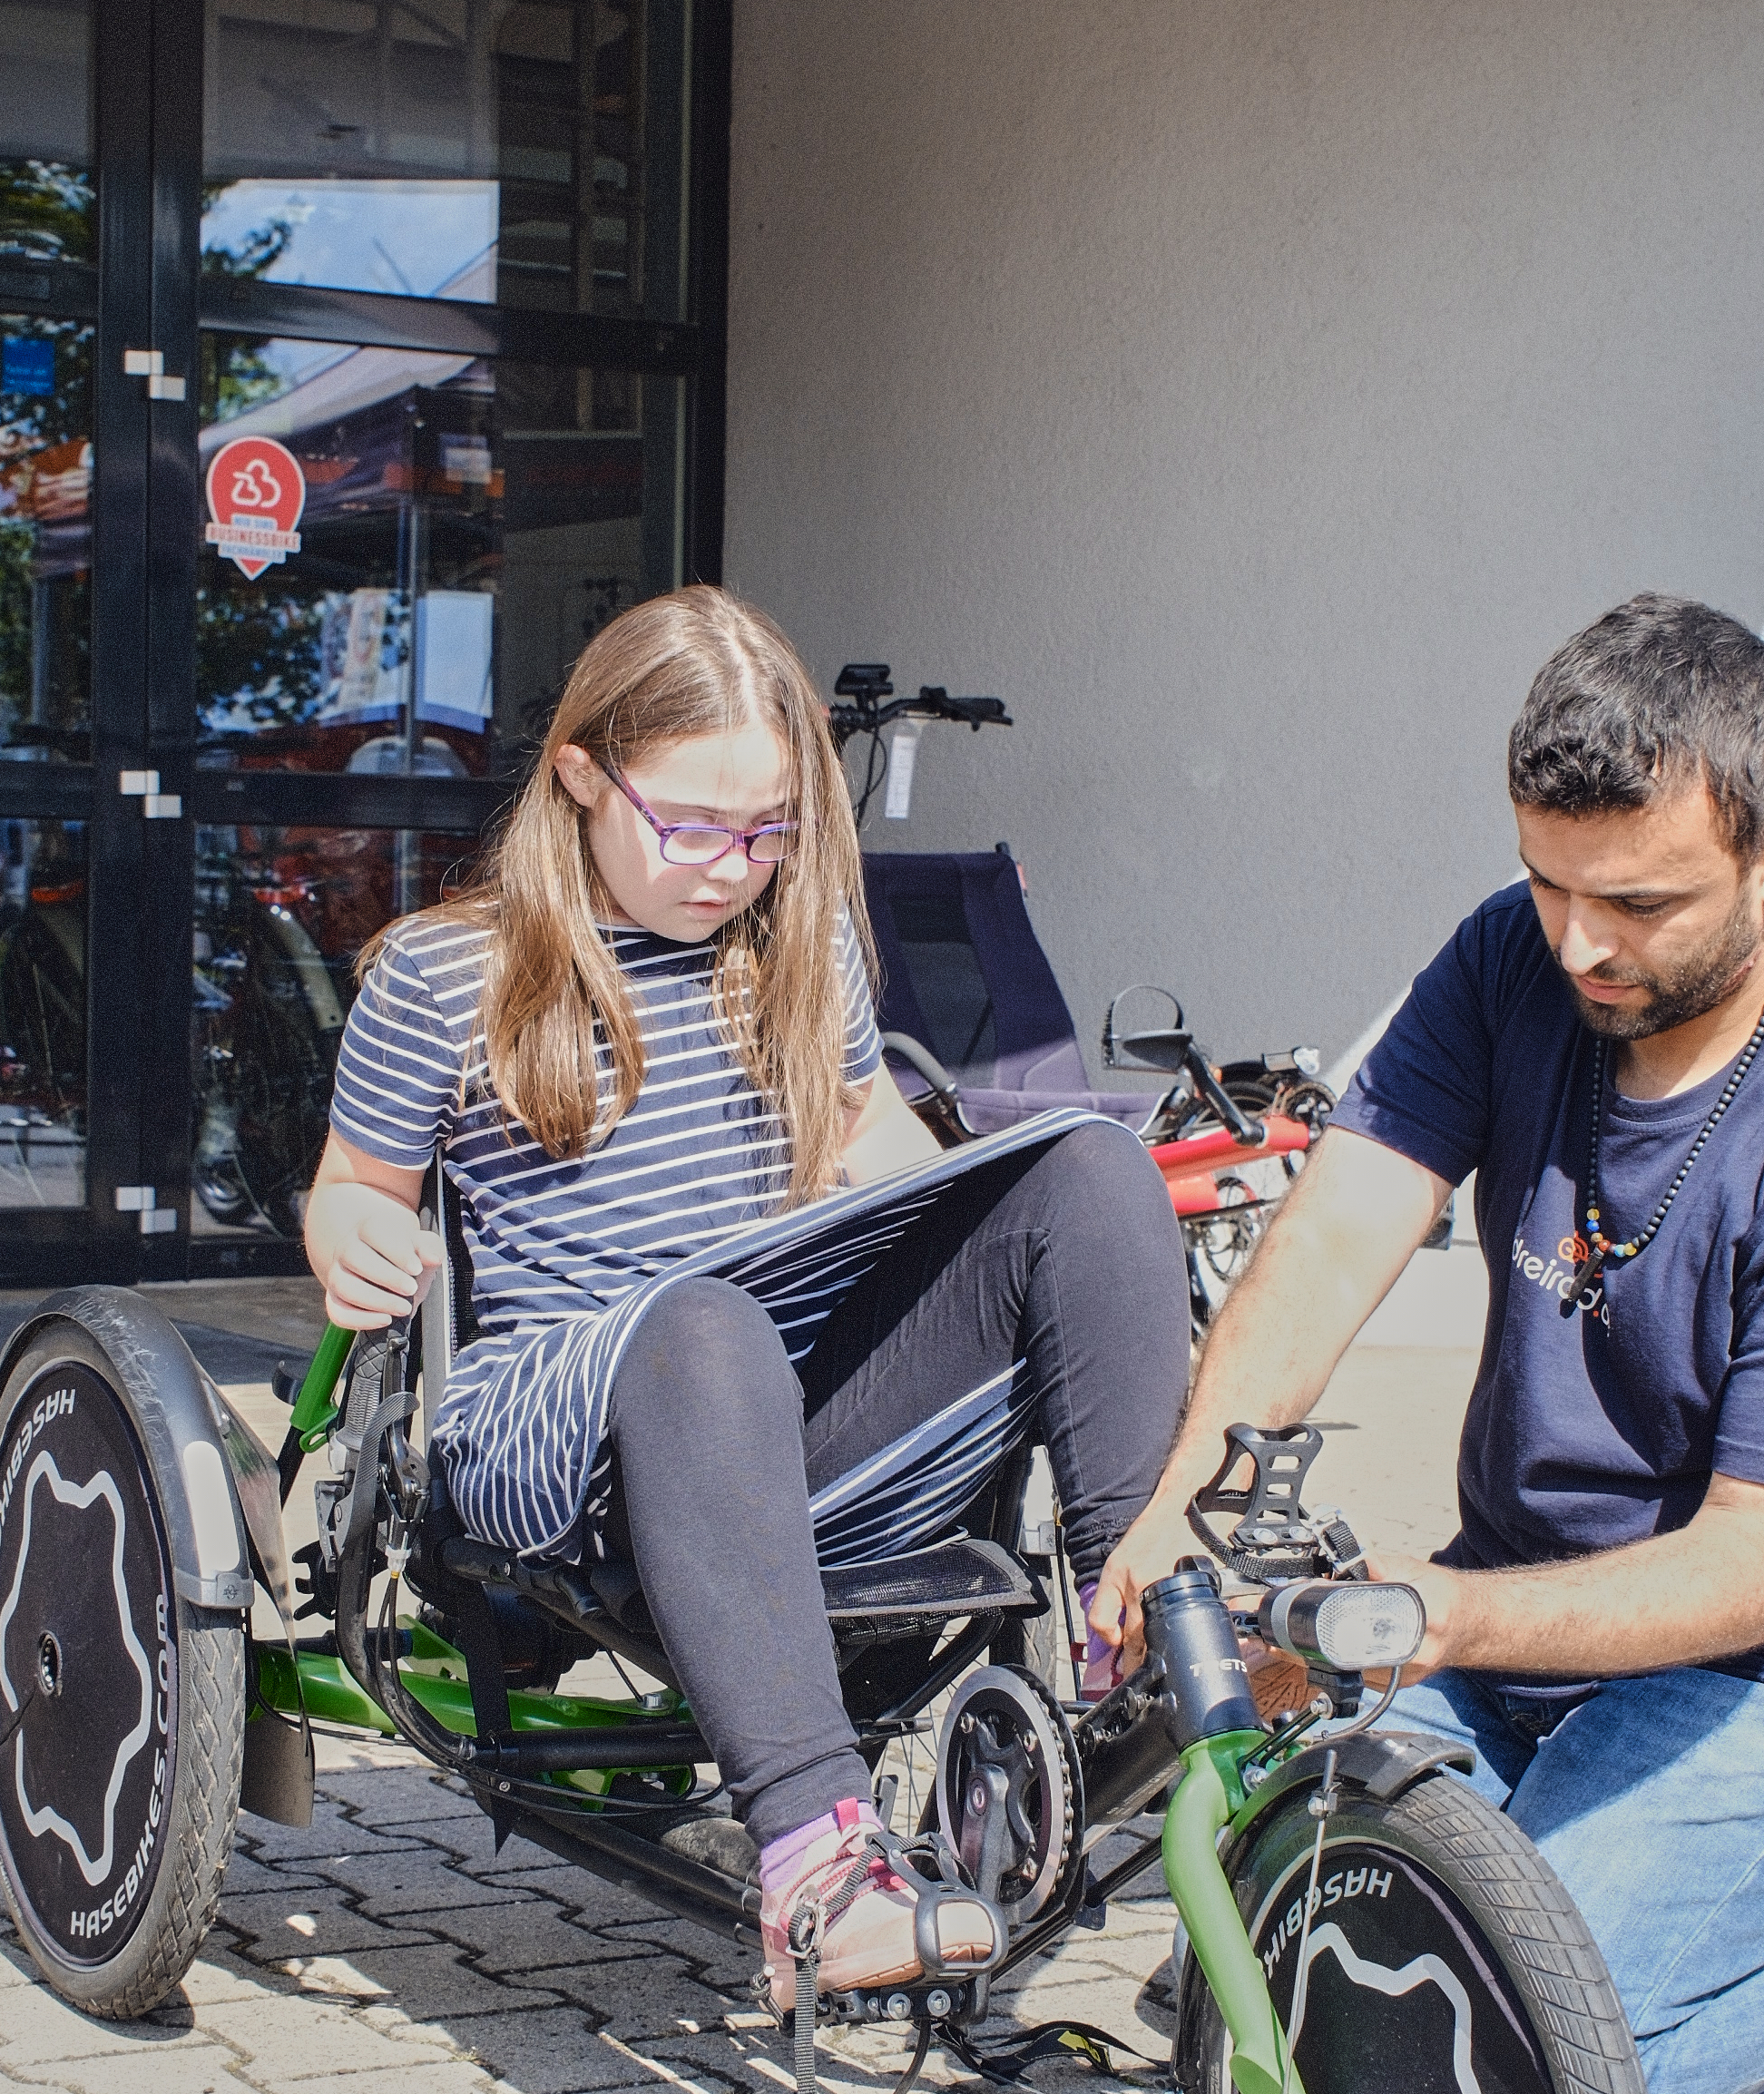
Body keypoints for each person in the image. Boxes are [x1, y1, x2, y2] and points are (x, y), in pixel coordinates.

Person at [1095, 592, 1764, 2094]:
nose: (1582, 942)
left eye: (1642, 901)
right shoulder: (1512, 961)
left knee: (1490, 2081)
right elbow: (1340, 1231)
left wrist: (1425, 1617)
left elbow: (1761, 1563)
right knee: (1264, 1985)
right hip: (1520, 1617)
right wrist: (1182, 1512)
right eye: (1549, 882)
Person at [306, 585, 1190, 2007]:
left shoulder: (795, 934)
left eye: (769, 829)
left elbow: (862, 1128)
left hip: (766, 1398)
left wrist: (934, 1199)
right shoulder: (446, 971)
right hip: (562, 1421)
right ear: (584, 775)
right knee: (703, 1319)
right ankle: (821, 1863)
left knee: (1088, 1171)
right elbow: (355, 1184)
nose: (733, 866)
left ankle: (1140, 1635)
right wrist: (350, 1234)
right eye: (695, 826)